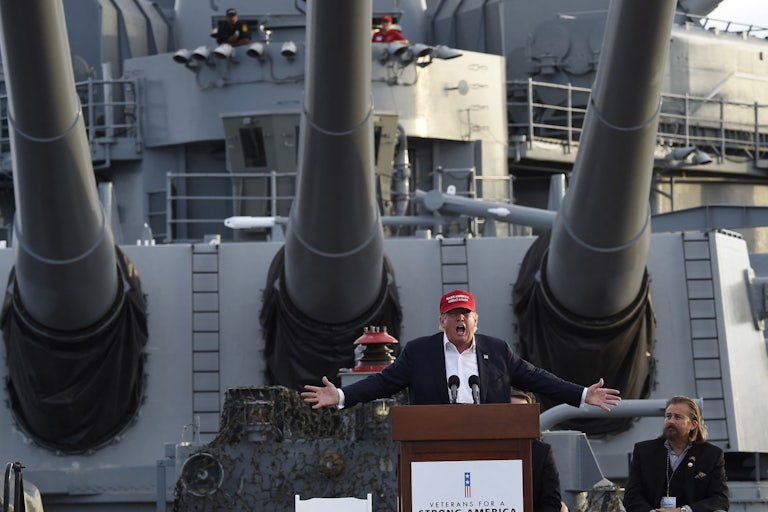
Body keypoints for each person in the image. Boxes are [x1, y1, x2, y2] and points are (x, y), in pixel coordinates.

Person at [301, 289, 620, 411]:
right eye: (453, 315)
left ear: (475, 320)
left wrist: (581, 394)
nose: (460, 320)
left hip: (492, 445)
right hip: (435, 447)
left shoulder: (497, 351)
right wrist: (341, 396)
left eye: (465, 314)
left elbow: (537, 378)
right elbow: (383, 382)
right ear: (442, 320)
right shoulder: (419, 352)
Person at [623, 396, 729, 512]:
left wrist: (683, 511)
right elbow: (631, 495)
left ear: (693, 425)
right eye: (668, 416)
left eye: (678, 417)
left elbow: (720, 499)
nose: (671, 421)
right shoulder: (643, 451)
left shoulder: (711, 455)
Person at [510, 390, 569, 512]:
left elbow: (552, 501)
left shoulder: (541, 452)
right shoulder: (484, 451)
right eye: (513, 412)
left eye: (524, 414)